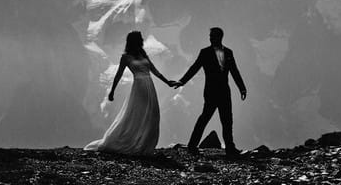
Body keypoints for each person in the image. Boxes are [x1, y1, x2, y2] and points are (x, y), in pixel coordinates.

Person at [84, 31, 175, 155]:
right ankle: (132, 143)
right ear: (134, 41)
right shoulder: (126, 57)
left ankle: (145, 145)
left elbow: (154, 70)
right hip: (139, 87)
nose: (142, 40)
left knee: (152, 115)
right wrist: (112, 91)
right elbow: (118, 75)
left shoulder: (143, 54)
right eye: (139, 39)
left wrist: (167, 82)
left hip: (149, 86)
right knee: (137, 115)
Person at [173, 27, 247, 157]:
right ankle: (192, 145)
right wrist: (182, 81)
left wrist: (242, 87)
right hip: (213, 92)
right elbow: (194, 68)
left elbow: (235, 71)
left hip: (223, 91)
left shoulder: (228, 52)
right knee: (206, 118)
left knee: (226, 120)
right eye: (210, 36)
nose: (211, 38)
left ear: (220, 37)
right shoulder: (205, 52)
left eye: (213, 36)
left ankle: (229, 148)